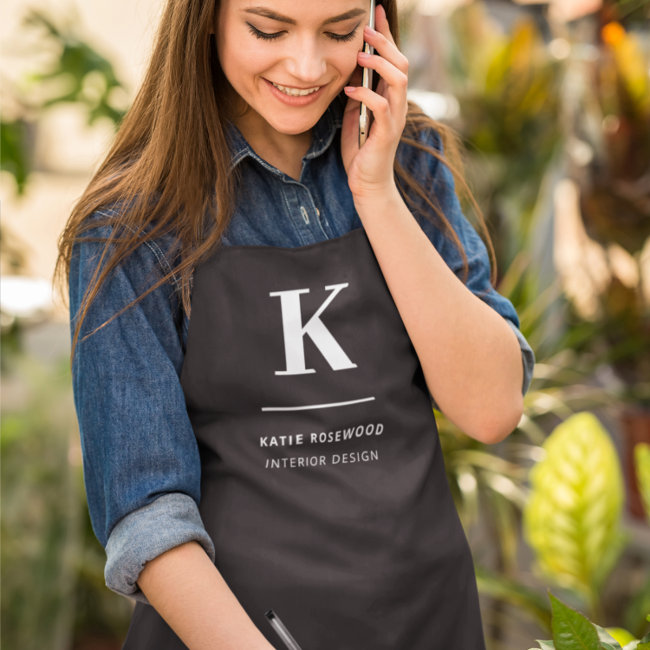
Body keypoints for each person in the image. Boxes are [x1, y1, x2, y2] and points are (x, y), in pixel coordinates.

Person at [57, 0, 535, 648]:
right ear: (207, 18)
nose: (307, 66)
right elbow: (146, 516)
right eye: (268, 29)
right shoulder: (129, 229)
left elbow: (490, 407)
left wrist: (377, 192)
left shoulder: (409, 159)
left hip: (427, 619)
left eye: (339, 31)